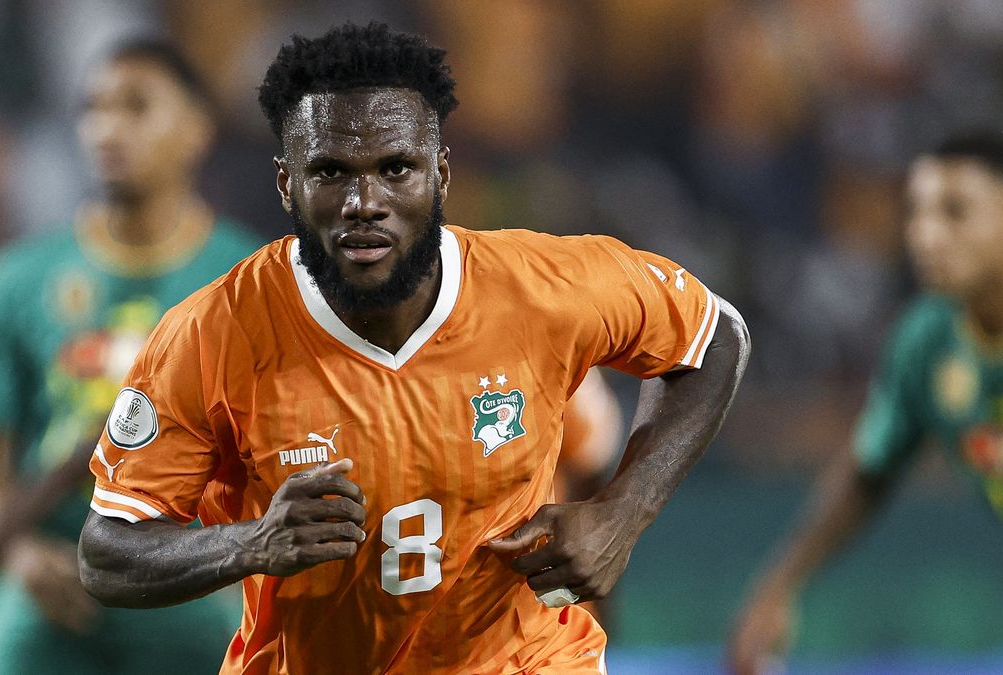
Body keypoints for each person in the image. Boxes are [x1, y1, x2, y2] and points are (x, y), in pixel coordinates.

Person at [78, 22, 749, 674]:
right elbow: (107, 551)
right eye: (331, 172)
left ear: (442, 174)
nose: (364, 201)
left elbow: (714, 334)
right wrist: (251, 543)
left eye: (396, 167)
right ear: (287, 184)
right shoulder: (213, 332)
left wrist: (620, 515)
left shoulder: (545, 289)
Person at [0, 38, 263, 674]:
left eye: (136, 107)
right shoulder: (18, 278)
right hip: (53, 565)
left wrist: (235, 561)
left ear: (197, 131)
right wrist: (17, 552)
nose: (108, 128)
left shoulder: (251, 280)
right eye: (94, 109)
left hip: (191, 567)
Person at [728, 131, 1003, 675]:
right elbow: (869, 472)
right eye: (917, 212)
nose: (926, 235)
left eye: (955, 211)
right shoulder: (927, 341)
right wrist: (780, 587)